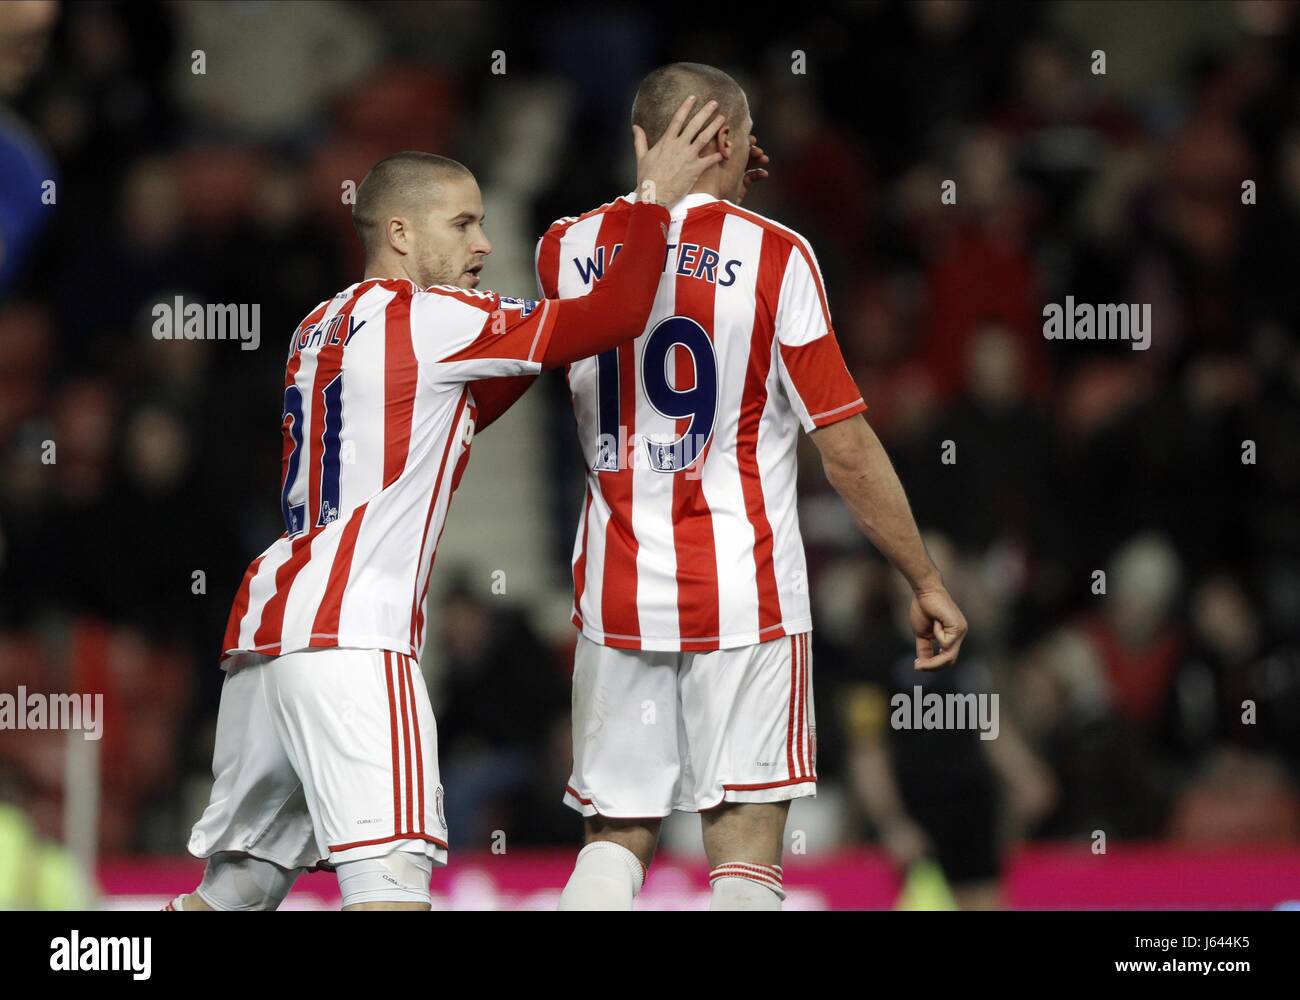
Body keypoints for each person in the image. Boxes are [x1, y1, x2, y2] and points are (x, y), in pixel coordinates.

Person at [168, 96, 727, 912]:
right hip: (354, 639)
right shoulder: (434, 321)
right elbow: (616, 314)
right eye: (464, 225)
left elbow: (464, 406)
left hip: (268, 638)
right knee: (391, 886)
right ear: (400, 233)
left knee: (238, 889)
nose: (484, 245)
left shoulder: (317, 328)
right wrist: (652, 201)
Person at [471, 63, 968, 910]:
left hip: (618, 590)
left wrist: (692, 184)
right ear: (736, 146)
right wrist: (921, 576)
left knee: (616, 837)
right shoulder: (780, 257)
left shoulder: (566, 248)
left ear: (640, 142)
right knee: (743, 851)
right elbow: (843, 447)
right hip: (747, 594)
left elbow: (644, 249)